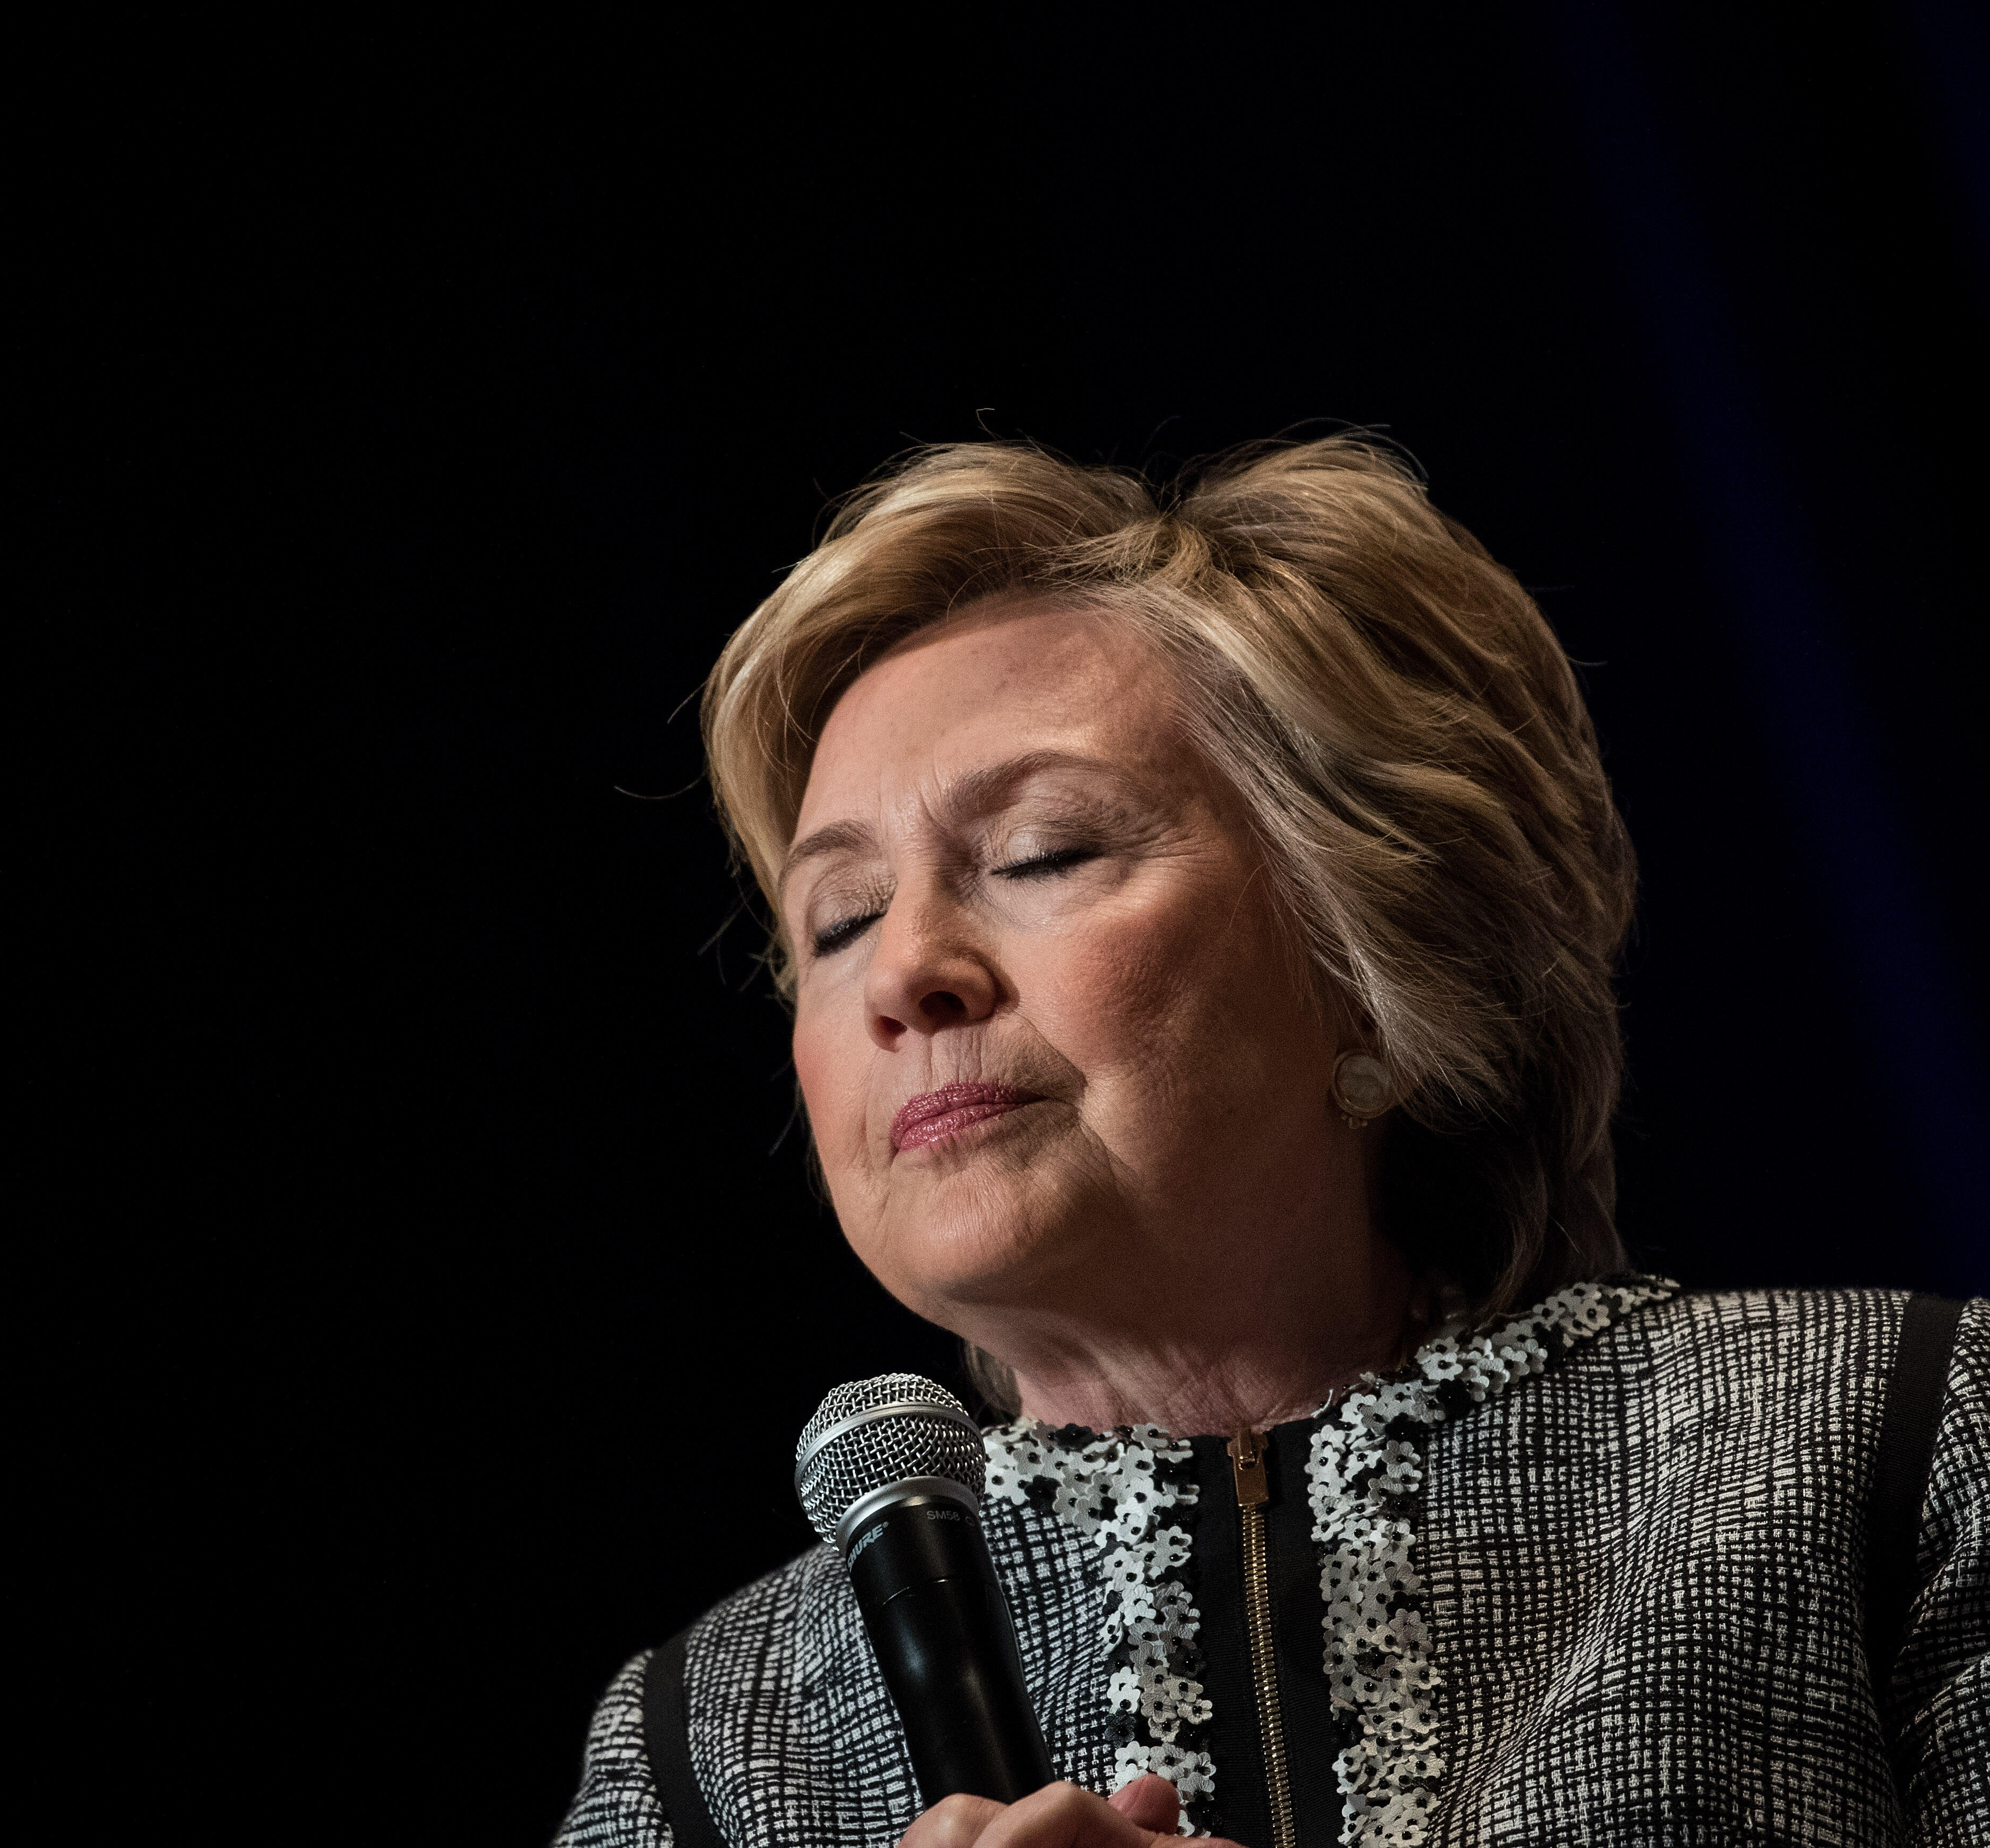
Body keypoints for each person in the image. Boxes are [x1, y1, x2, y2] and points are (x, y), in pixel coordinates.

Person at [553, 438, 1984, 1847]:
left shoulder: (1888, 1444)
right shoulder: (704, 1747)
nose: (902, 971)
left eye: (1045, 849)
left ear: (1371, 958)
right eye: (838, 921)